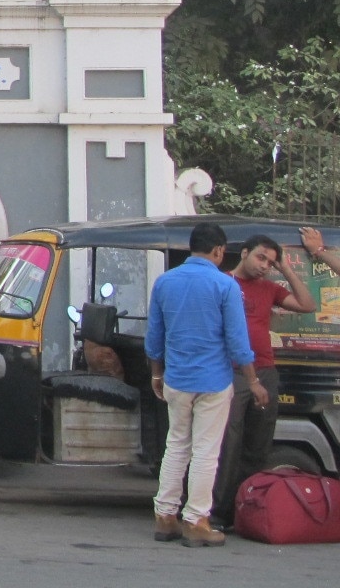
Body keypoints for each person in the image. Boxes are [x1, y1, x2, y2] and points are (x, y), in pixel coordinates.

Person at [211, 227, 340, 527]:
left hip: (266, 371)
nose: (264, 265)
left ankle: (247, 510)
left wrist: (285, 268)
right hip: (230, 371)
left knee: (259, 445)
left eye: (270, 262)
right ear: (244, 254)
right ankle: (218, 512)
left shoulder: (269, 288)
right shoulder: (224, 282)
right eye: (261, 258)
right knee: (228, 443)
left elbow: (307, 305)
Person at [146, 220, 261, 547]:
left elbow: (155, 337)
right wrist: (253, 380)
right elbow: (238, 342)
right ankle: (196, 520)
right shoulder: (225, 285)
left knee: (176, 445)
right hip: (212, 381)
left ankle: (165, 516)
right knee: (206, 452)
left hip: (176, 379)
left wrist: (157, 373)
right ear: (219, 251)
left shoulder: (165, 282)